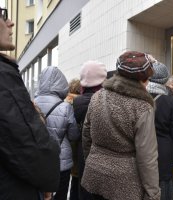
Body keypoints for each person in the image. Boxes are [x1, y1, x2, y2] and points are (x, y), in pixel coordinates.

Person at [81, 51, 160, 200]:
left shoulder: (97, 96)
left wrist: (93, 161)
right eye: (148, 79)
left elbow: (86, 134)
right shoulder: (142, 107)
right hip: (124, 183)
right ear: (143, 79)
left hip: (93, 176)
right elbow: (147, 157)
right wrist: (153, 194)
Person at [0, 7, 60, 199]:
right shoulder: (3, 75)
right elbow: (28, 144)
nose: (11, 23)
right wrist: (47, 178)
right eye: (2, 16)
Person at [35, 66, 80, 200]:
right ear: (61, 83)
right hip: (61, 161)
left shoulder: (31, 103)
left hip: (38, 160)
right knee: (60, 196)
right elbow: (73, 135)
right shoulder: (65, 106)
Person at [147, 62, 173, 200]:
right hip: (164, 150)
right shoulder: (170, 101)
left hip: (142, 147)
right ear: (164, 80)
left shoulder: (138, 97)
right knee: (164, 185)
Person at [73, 60, 107, 200]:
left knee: (85, 189)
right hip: (104, 151)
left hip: (83, 150)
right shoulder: (105, 100)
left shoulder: (77, 101)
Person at [65, 78, 82, 200]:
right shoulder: (83, 103)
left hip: (67, 148)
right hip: (80, 147)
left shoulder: (64, 103)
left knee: (73, 182)